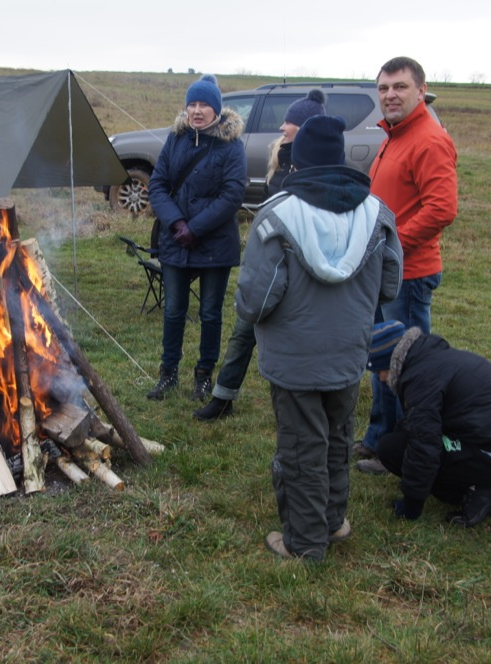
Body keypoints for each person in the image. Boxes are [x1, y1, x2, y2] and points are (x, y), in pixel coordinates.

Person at [235, 115, 402, 560]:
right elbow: (390, 286)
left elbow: (256, 300)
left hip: (294, 359)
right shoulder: (377, 213)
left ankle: (306, 542)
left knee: (301, 446)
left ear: (299, 160)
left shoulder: (277, 215)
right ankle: (331, 520)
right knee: (338, 435)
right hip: (348, 352)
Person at [193, 89, 326, 421]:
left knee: (295, 338)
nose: (281, 127)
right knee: (244, 327)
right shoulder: (280, 156)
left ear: (306, 127)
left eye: (289, 122)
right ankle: (223, 397)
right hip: (270, 261)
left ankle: (303, 402)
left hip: (303, 267)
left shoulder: (320, 166)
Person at [357, 56, 458, 474]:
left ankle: (405, 452)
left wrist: (392, 245)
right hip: (386, 272)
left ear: (421, 90)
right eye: (383, 88)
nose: (390, 95)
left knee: (406, 367)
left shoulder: (428, 139)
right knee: (382, 359)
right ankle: (380, 439)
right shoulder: (394, 136)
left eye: (399, 86)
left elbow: (442, 208)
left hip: (410, 275)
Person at [366, 320, 491, 527]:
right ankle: (484, 485)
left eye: (379, 372)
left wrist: (411, 503)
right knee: (402, 437)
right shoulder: (429, 358)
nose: (381, 379)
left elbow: (424, 444)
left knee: (392, 450)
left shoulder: (421, 379)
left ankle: (481, 493)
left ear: (390, 362)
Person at [145, 74, 247, 401]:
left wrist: (196, 228)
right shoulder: (176, 139)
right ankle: (168, 373)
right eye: (192, 104)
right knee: (174, 310)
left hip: (215, 244)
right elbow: (157, 185)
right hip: (176, 240)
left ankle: (204, 376)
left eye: (204, 105)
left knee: (210, 313)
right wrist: (177, 223)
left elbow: (232, 195)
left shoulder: (232, 146)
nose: (197, 110)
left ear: (216, 110)